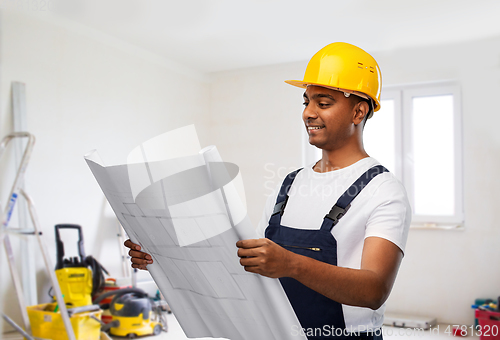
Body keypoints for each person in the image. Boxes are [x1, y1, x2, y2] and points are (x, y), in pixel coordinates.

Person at [124, 42, 411, 339]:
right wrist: (162, 259)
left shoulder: (383, 190)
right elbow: (248, 267)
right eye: (306, 102)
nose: (308, 114)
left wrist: (290, 264)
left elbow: (374, 290)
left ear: (358, 112)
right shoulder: (289, 185)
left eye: (323, 103)